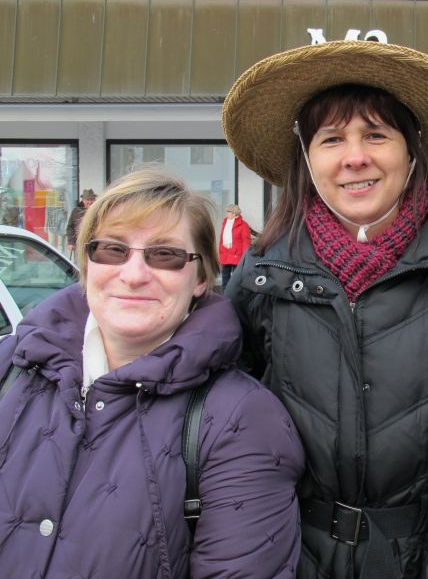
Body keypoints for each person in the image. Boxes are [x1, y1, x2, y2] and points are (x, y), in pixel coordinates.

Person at [223, 40, 428, 579]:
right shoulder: (262, 275)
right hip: (287, 556)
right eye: (332, 138)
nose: (355, 157)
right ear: (307, 158)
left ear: (412, 151)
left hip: (425, 560)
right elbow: (226, 434)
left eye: (376, 135)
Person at [0, 169, 304, 578]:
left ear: (201, 278)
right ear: (87, 264)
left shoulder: (239, 418)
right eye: (112, 250)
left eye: (165, 255)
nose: (134, 274)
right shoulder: (10, 367)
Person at [219, 203, 252, 289]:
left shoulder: (243, 225)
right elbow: (222, 238)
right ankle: (225, 290)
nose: (227, 214)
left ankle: (235, 290)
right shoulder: (225, 223)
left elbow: (246, 241)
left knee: (236, 275)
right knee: (225, 273)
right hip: (226, 252)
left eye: (229, 212)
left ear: (234, 213)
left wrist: (245, 254)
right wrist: (220, 250)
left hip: (237, 254)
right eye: (227, 212)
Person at [66, 188, 97, 253]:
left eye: (92, 199)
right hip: (79, 245)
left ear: (95, 200)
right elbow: (70, 227)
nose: (90, 202)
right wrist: (71, 242)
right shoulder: (76, 211)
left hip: (95, 245)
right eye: (87, 200)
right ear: (83, 200)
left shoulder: (99, 211)